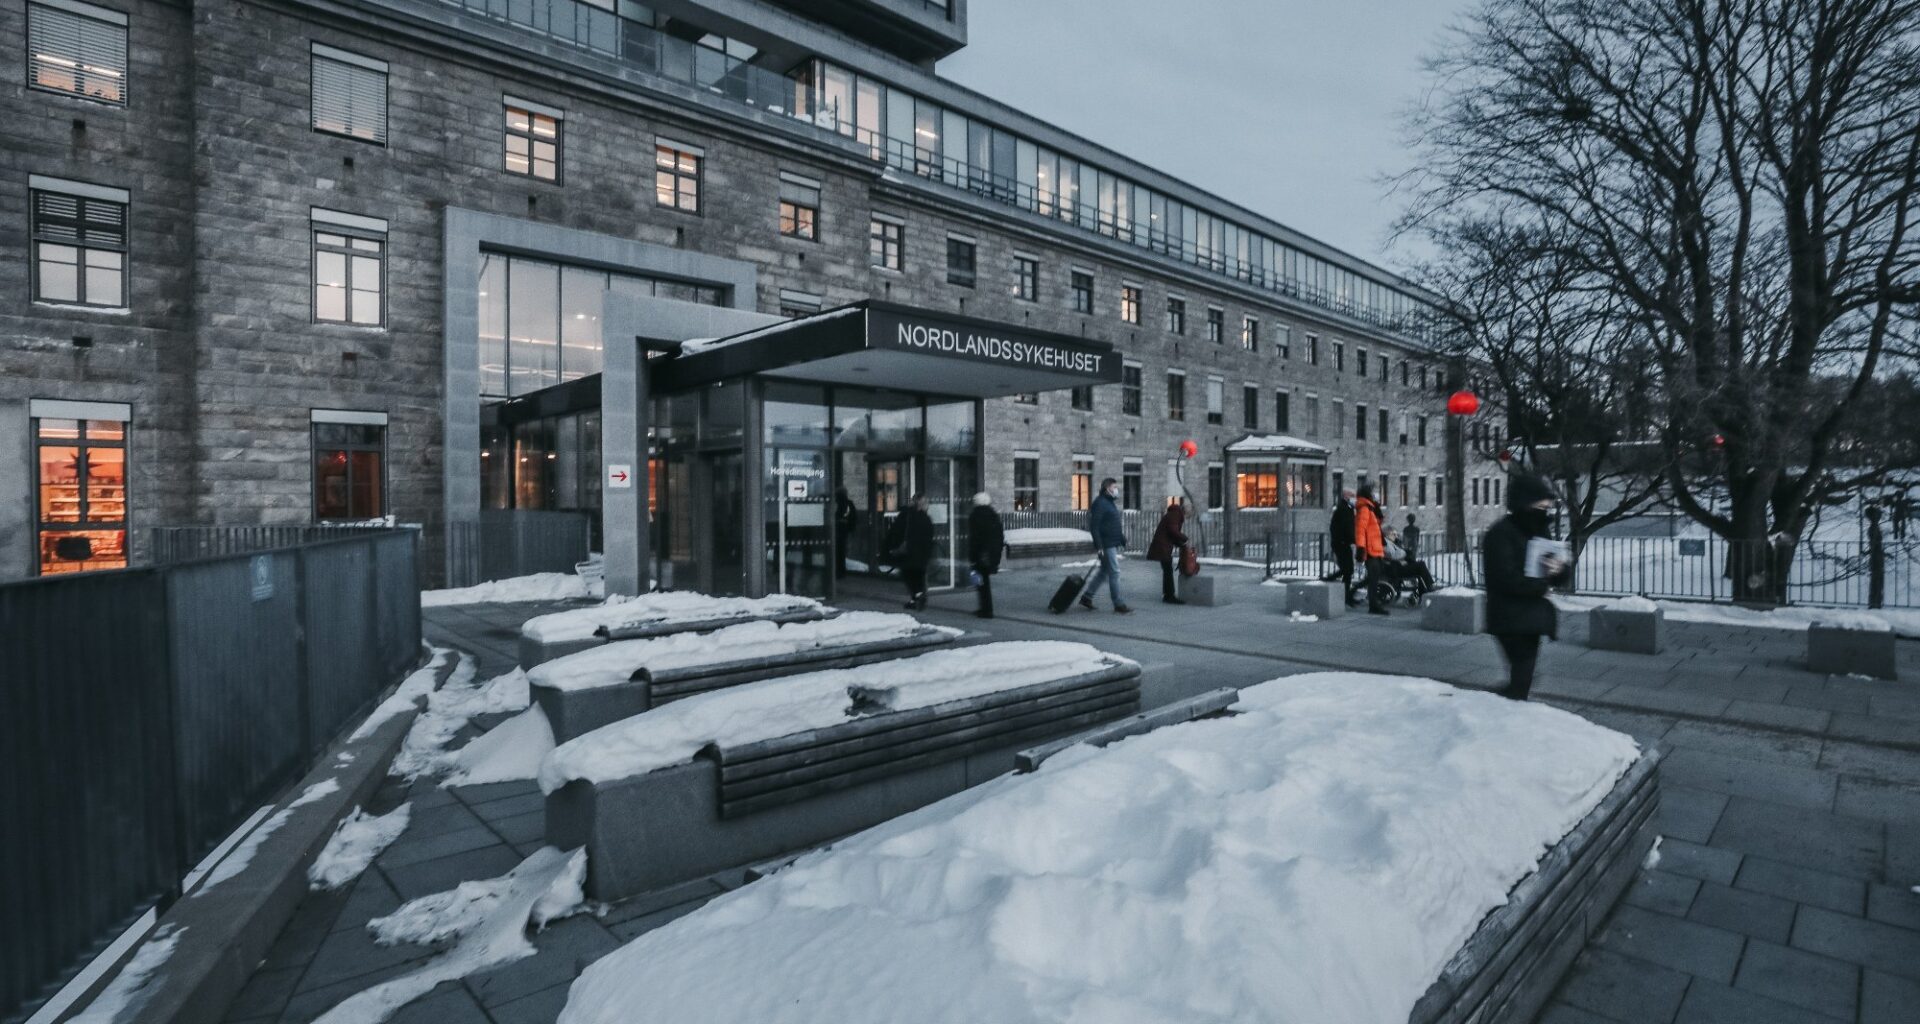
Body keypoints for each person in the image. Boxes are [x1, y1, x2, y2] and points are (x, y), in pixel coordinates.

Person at [1483, 472, 1571, 700]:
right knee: (1521, 676)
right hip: (1509, 615)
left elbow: (1558, 573)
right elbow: (1503, 578)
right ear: (1524, 503)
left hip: (1529, 615)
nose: (1545, 511)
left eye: (1547, 507)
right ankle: (1509, 706)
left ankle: (1511, 701)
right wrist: (1540, 587)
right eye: (1540, 506)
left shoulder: (1539, 529)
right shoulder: (1500, 534)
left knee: (1521, 678)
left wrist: (1558, 569)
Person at [1080, 477, 1132, 613]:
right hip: (1106, 545)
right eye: (1114, 487)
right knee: (1114, 572)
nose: (1116, 490)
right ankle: (1118, 603)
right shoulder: (1100, 503)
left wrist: (1121, 538)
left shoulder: (1109, 503)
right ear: (1107, 488)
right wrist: (1100, 547)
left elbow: (1111, 524)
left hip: (1110, 542)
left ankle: (1087, 596)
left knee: (1104, 572)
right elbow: (1095, 527)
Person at [887, 493, 935, 611]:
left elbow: (896, 531)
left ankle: (917, 597)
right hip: (921, 553)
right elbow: (929, 536)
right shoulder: (926, 518)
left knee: (908, 575)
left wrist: (893, 545)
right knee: (919, 576)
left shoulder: (906, 515)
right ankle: (918, 598)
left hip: (909, 551)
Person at [968, 491, 1006, 618]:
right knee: (984, 582)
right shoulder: (993, 516)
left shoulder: (976, 516)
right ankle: (986, 609)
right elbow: (1000, 537)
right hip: (991, 555)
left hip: (980, 555)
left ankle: (986, 609)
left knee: (980, 583)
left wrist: (972, 556)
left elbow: (975, 539)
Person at [1147, 497, 1192, 604]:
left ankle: (1167, 594)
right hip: (1163, 547)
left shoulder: (1174, 514)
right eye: (1190, 511)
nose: (1190, 514)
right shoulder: (1175, 515)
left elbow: (1172, 534)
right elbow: (1173, 531)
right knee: (1168, 571)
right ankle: (1169, 596)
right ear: (1185, 510)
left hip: (1163, 546)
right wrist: (1185, 539)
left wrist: (1181, 544)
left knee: (1167, 570)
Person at [1354, 483, 1388, 615]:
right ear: (1367, 494)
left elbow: (1377, 525)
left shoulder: (1370, 508)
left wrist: (1378, 510)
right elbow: (1360, 530)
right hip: (1370, 550)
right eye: (1372, 493)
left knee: (1375, 577)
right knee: (1373, 579)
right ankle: (1373, 605)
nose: (1374, 495)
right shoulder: (1364, 509)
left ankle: (1371, 602)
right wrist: (1361, 548)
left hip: (1376, 549)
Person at [1324, 489, 1358, 605]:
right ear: (1346, 496)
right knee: (1347, 570)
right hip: (1342, 543)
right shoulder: (1344, 510)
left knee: (1347, 570)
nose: (1355, 498)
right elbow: (1347, 528)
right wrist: (1355, 540)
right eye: (1353, 496)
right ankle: (1345, 596)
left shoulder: (1345, 508)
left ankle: (1346, 595)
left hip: (1341, 543)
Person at [833, 487, 857, 578]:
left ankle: (839, 571)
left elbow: (841, 516)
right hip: (843, 531)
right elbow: (853, 518)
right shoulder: (848, 504)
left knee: (838, 552)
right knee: (841, 552)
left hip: (839, 530)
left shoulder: (838, 504)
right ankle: (840, 571)